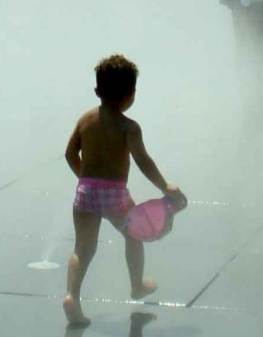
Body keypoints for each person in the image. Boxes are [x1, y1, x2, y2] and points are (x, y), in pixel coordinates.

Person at [63, 54, 184, 327]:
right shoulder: (129, 127)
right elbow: (143, 161)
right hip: (115, 196)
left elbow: (70, 153)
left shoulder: (86, 119)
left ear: (97, 91)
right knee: (134, 236)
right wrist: (164, 185)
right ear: (131, 94)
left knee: (82, 248)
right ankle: (137, 285)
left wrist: (85, 179)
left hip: (85, 193)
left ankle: (72, 295)